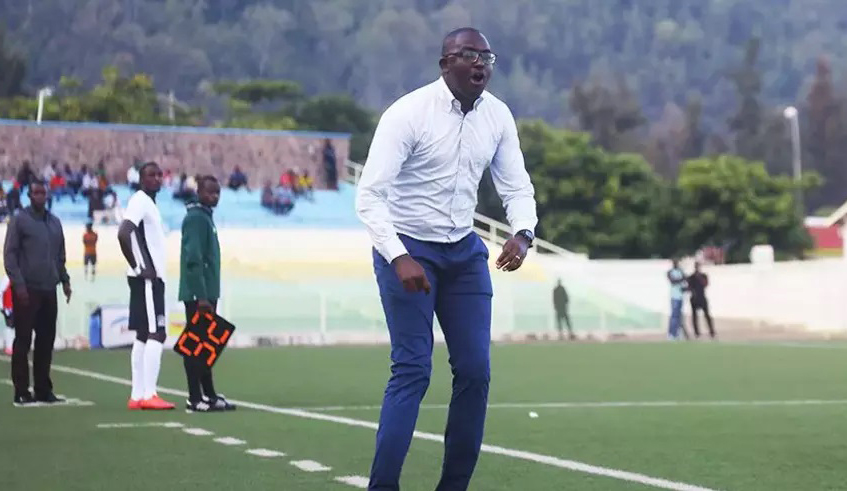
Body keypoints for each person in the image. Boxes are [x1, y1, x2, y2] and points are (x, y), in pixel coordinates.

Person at [355, 27, 537, 490]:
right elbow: (370, 197)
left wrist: (522, 232)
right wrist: (398, 257)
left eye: (487, 57)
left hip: (463, 255)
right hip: (408, 250)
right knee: (413, 368)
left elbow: (515, 185)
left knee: (476, 372)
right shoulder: (408, 114)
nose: (480, 64)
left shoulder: (497, 116)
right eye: (469, 55)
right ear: (445, 64)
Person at [4, 181, 72, 405]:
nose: (40, 196)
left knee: (46, 341)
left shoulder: (55, 223)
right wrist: (19, 285)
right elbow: (10, 255)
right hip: (26, 289)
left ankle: (43, 389)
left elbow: (59, 255)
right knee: (23, 340)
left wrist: (65, 280)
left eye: (43, 192)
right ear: (29, 195)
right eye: (36, 192)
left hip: (48, 289)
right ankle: (21, 391)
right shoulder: (19, 220)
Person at [117, 162, 175, 411]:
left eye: (159, 175)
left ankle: (137, 394)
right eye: (151, 175)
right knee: (157, 333)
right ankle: (150, 393)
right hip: (148, 278)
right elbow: (123, 232)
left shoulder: (149, 203)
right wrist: (140, 267)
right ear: (141, 179)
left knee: (142, 335)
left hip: (146, 277)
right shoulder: (140, 200)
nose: (157, 179)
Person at [178, 176, 236, 412]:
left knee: (206, 346)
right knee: (195, 346)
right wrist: (201, 296)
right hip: (197, 294)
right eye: (210, 192)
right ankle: (194, 398)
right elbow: (193, 260)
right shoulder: (196, 219)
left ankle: (209, 395)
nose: (215, 197)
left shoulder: (204, 217)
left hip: (207, 292)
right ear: (199, 191)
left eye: (217, 193)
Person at [687, 262, 716, 339]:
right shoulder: (691, 277)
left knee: (707, 315)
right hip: (694, 298)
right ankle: (696, 332)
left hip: (702, 297)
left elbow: (705, 284)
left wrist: (699, 277)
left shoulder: (703, 276)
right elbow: (689, 287)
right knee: (694, 316)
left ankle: (711, 331)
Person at [667, 258, 688, 340]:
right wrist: (682, 278)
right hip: (674, 296)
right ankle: (671, 333)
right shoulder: (670, 272)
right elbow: (673, 281)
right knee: (674, 316)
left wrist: (685, 287)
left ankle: (678, 333)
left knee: (679, 316)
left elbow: (685, 282)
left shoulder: (681, 271)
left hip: (680, 297)